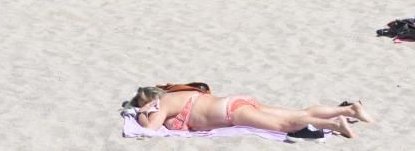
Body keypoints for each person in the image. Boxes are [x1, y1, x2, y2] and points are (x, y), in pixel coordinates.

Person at [124, 85, 372, 138]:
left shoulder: (163, 104)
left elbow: (149, 129)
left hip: (229, 112)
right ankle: (351, 108)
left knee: (286, 125)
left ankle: (335, 124)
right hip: (235, 101)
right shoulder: (181, 93)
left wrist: (144, 112)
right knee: (294, 113)